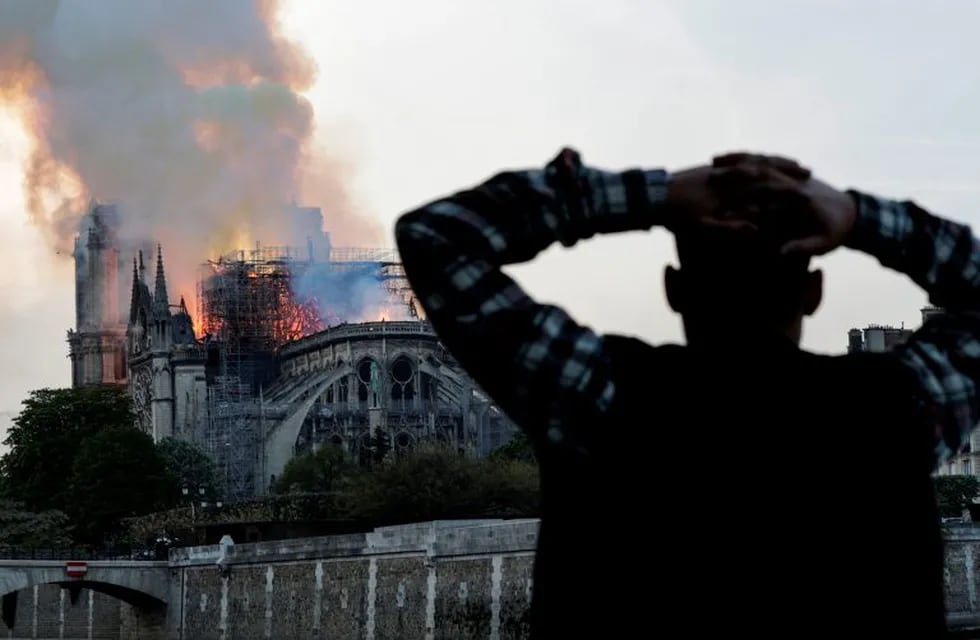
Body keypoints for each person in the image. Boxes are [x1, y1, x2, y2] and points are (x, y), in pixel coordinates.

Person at [394, 149, 979, 637]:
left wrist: (657, 195)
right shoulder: (896, 410)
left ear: (673, 288)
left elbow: (438, 236)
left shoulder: (599, 394)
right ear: (814, 292)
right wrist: (855, 216)